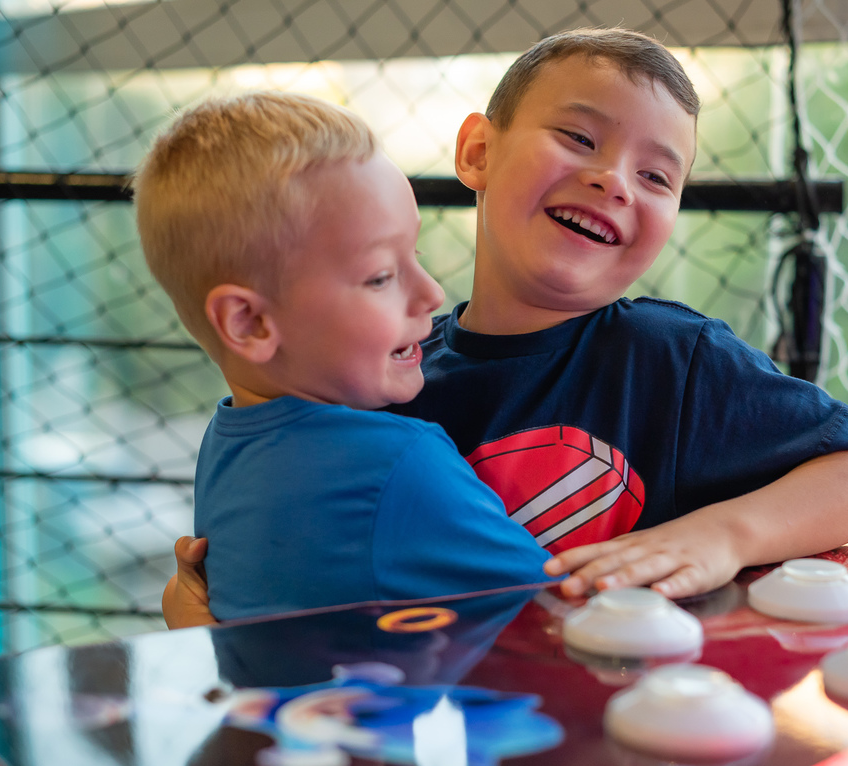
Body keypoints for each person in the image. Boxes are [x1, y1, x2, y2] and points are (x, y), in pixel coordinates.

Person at [163, 28, 848, 628]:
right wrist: (220, 616)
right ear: (478, 152)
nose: (613, 180)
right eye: (580, 138)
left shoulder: (670, 358)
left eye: (656, 176)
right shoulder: (384, 374)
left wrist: (724, 535)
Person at [133, 91, 552, 621]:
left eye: (415, 254)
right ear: (248, 322)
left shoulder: (226, 442)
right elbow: (564, 616)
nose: (431, 294)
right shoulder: (398, 463)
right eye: (380, 276)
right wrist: (664, 543)